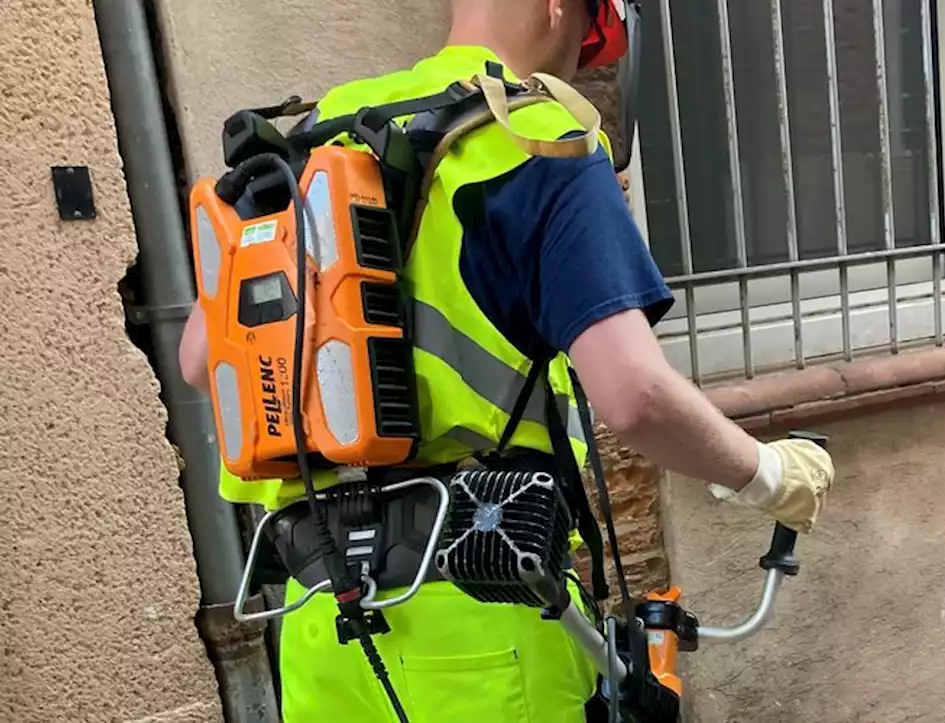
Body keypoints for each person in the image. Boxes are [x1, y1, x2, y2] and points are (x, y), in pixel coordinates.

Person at [178, 0, 835, 720]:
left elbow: (198, 357)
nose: (582, 62)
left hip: (322, 619)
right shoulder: (536, 137)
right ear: (560, 8)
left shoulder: (315, 135)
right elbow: (633, 396)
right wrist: (770, 475)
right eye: (592, 43)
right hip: (486, 607)